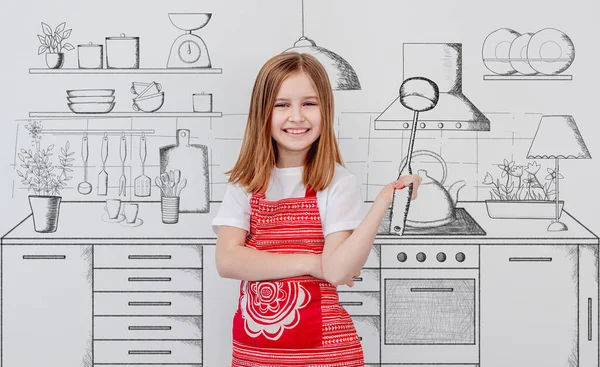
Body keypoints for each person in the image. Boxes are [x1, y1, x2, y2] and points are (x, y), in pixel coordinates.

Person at [211, 52, 422, 366]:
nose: (297, 116)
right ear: (262, 113)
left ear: (326, 111)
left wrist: (382, 203)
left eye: (309, 103)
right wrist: (313, 262)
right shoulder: (246, 183)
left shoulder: (337, 182)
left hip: (326, 353)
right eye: (282, 105)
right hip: (256, 353)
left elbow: (337, 271)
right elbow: (227, 261)